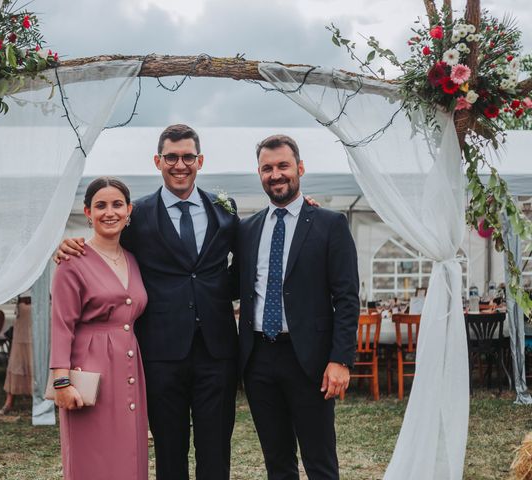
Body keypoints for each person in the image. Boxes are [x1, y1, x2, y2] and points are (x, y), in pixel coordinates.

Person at [56, 125, 240, 480]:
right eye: (171, 157)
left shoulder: (225, 210)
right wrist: (67, 245)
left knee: (215, 449)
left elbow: (244, 266)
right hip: (159, 354)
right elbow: (104, 244)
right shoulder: (136, 215)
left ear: (200, 161)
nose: (179, 164)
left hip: (217, 352)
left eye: (188, 156)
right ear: (158, 161)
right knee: (169, 450)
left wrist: (300, 203)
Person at [236, 134, 359, 479]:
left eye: (283, 166)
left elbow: (347, 297)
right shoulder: (247, 229)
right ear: (259, 174)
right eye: (267, 168)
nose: (276, 174)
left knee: (320, 462)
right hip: (258, 359)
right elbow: (229, 282)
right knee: (277, 462)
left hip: (311, 360)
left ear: (300, 169)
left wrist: (340, 359)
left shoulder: (330, 224)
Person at [50, 177, 149, 480]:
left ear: (129, 210)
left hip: (130, 364)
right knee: (92, 456)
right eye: (101, 205)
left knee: (130, 453)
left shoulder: (133, 258)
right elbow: (61, 325)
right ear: (87, 212)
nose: (110, 212)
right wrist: (61, 383)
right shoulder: (72, 261)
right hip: (90, 369)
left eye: (117, 204)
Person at [0, 295, 33, 416]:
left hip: (41, 312)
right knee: (17, 360)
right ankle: (9, 401)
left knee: (38, 359)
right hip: (22, 315)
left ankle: (44, 399)